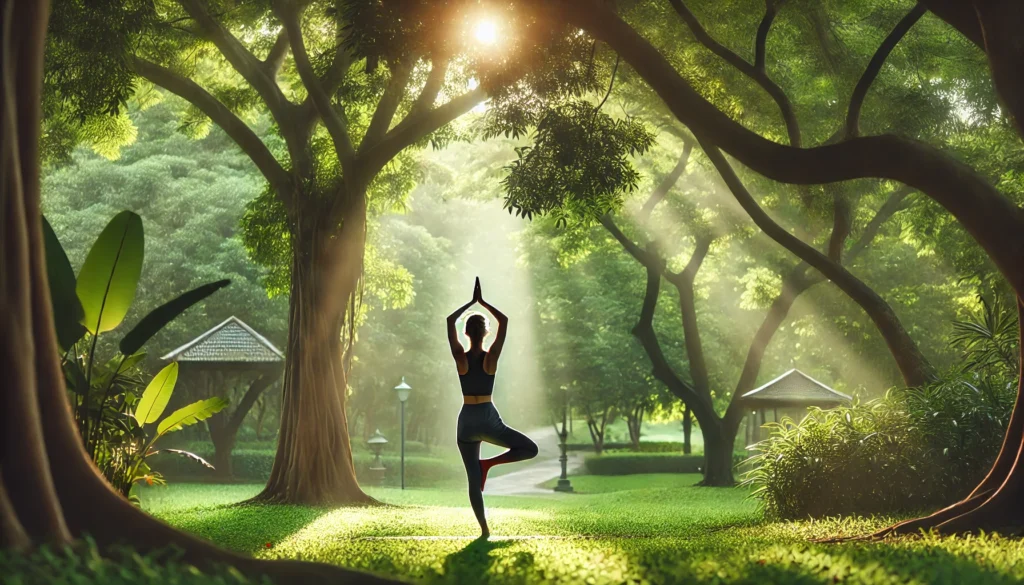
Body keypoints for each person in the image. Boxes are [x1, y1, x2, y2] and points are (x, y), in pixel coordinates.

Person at [447, 277, 538, 537]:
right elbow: (505, 321)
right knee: (529, 449)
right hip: (488, 417)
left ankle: (485, 530)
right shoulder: (491, 358)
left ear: (466, 333)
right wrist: (483, 302)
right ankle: (489, 465)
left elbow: (448, 322)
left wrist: (469, 304)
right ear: (486, 333)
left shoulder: (460, 358)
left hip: (466, 420)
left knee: (473, 480)